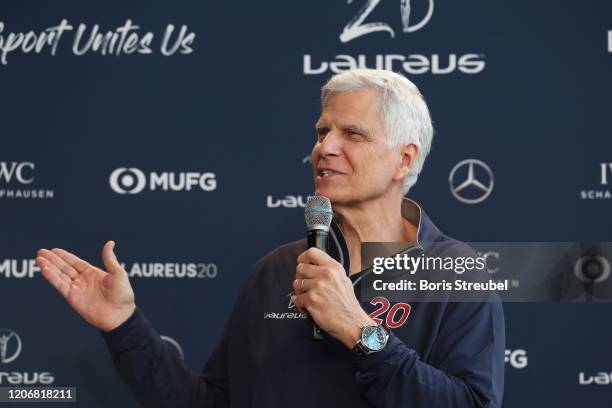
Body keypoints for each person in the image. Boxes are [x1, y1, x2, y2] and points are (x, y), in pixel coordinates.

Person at [35, 69, 505, 407]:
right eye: (322, 131)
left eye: (352, 134)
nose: (326, 147)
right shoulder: (278, 269)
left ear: (404, 160)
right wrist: (123, 325)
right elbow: (212, 402)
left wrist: (362, 334)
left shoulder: (454, 272)